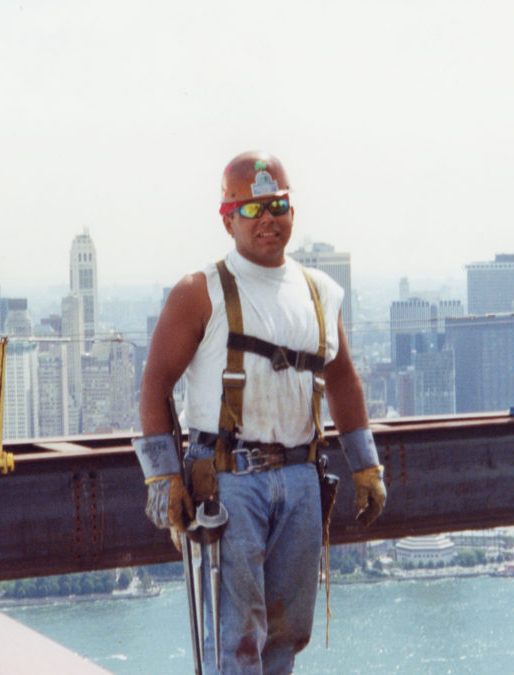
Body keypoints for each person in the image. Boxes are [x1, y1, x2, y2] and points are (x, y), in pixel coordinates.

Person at [133, 151, 386, 673]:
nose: (267, 218)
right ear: (227, 219)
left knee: (288, 632)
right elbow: (156, 383)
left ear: (292, 211)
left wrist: (365, 465)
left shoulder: (320, 292)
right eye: (252, 209)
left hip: (300, 476)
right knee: (235, 638)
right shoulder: (199, 291)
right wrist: (163, 476)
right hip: (228, 480)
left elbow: (341, 378)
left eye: (278, 205)